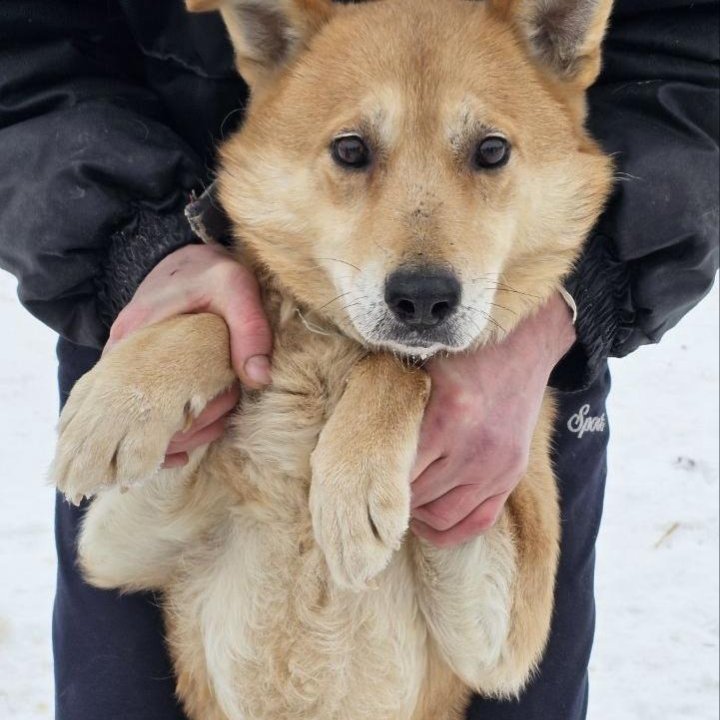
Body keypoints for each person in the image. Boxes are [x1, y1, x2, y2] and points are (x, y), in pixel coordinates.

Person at [0, 0, 717, 718]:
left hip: (525, 354)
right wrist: (138, 254)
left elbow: (697, 57)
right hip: (159, 276)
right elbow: (119, 554)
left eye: (488, 154)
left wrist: (572, 297)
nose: (424, 264)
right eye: (354, 153)